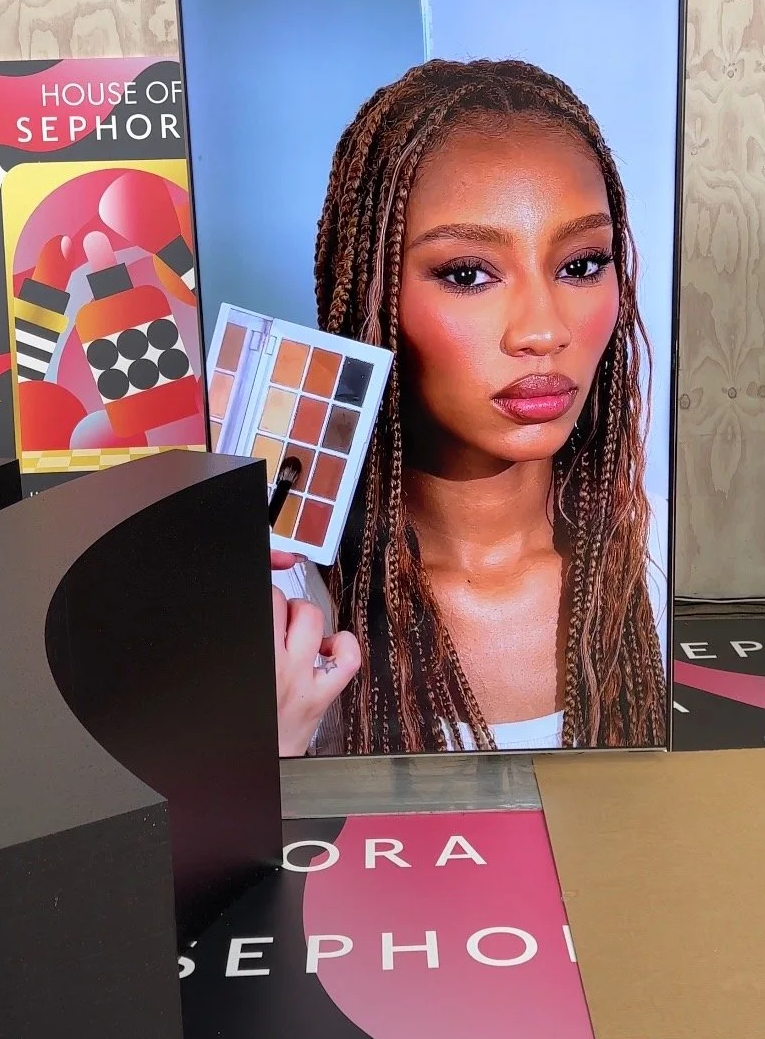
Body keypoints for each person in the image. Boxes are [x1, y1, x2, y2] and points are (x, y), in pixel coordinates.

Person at [279, 57, 666, 757]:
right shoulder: (290, 611)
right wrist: (269, 752)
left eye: (581, 265)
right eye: (468, 274)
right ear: (371, 295)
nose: (543, 331)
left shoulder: (665, 566)